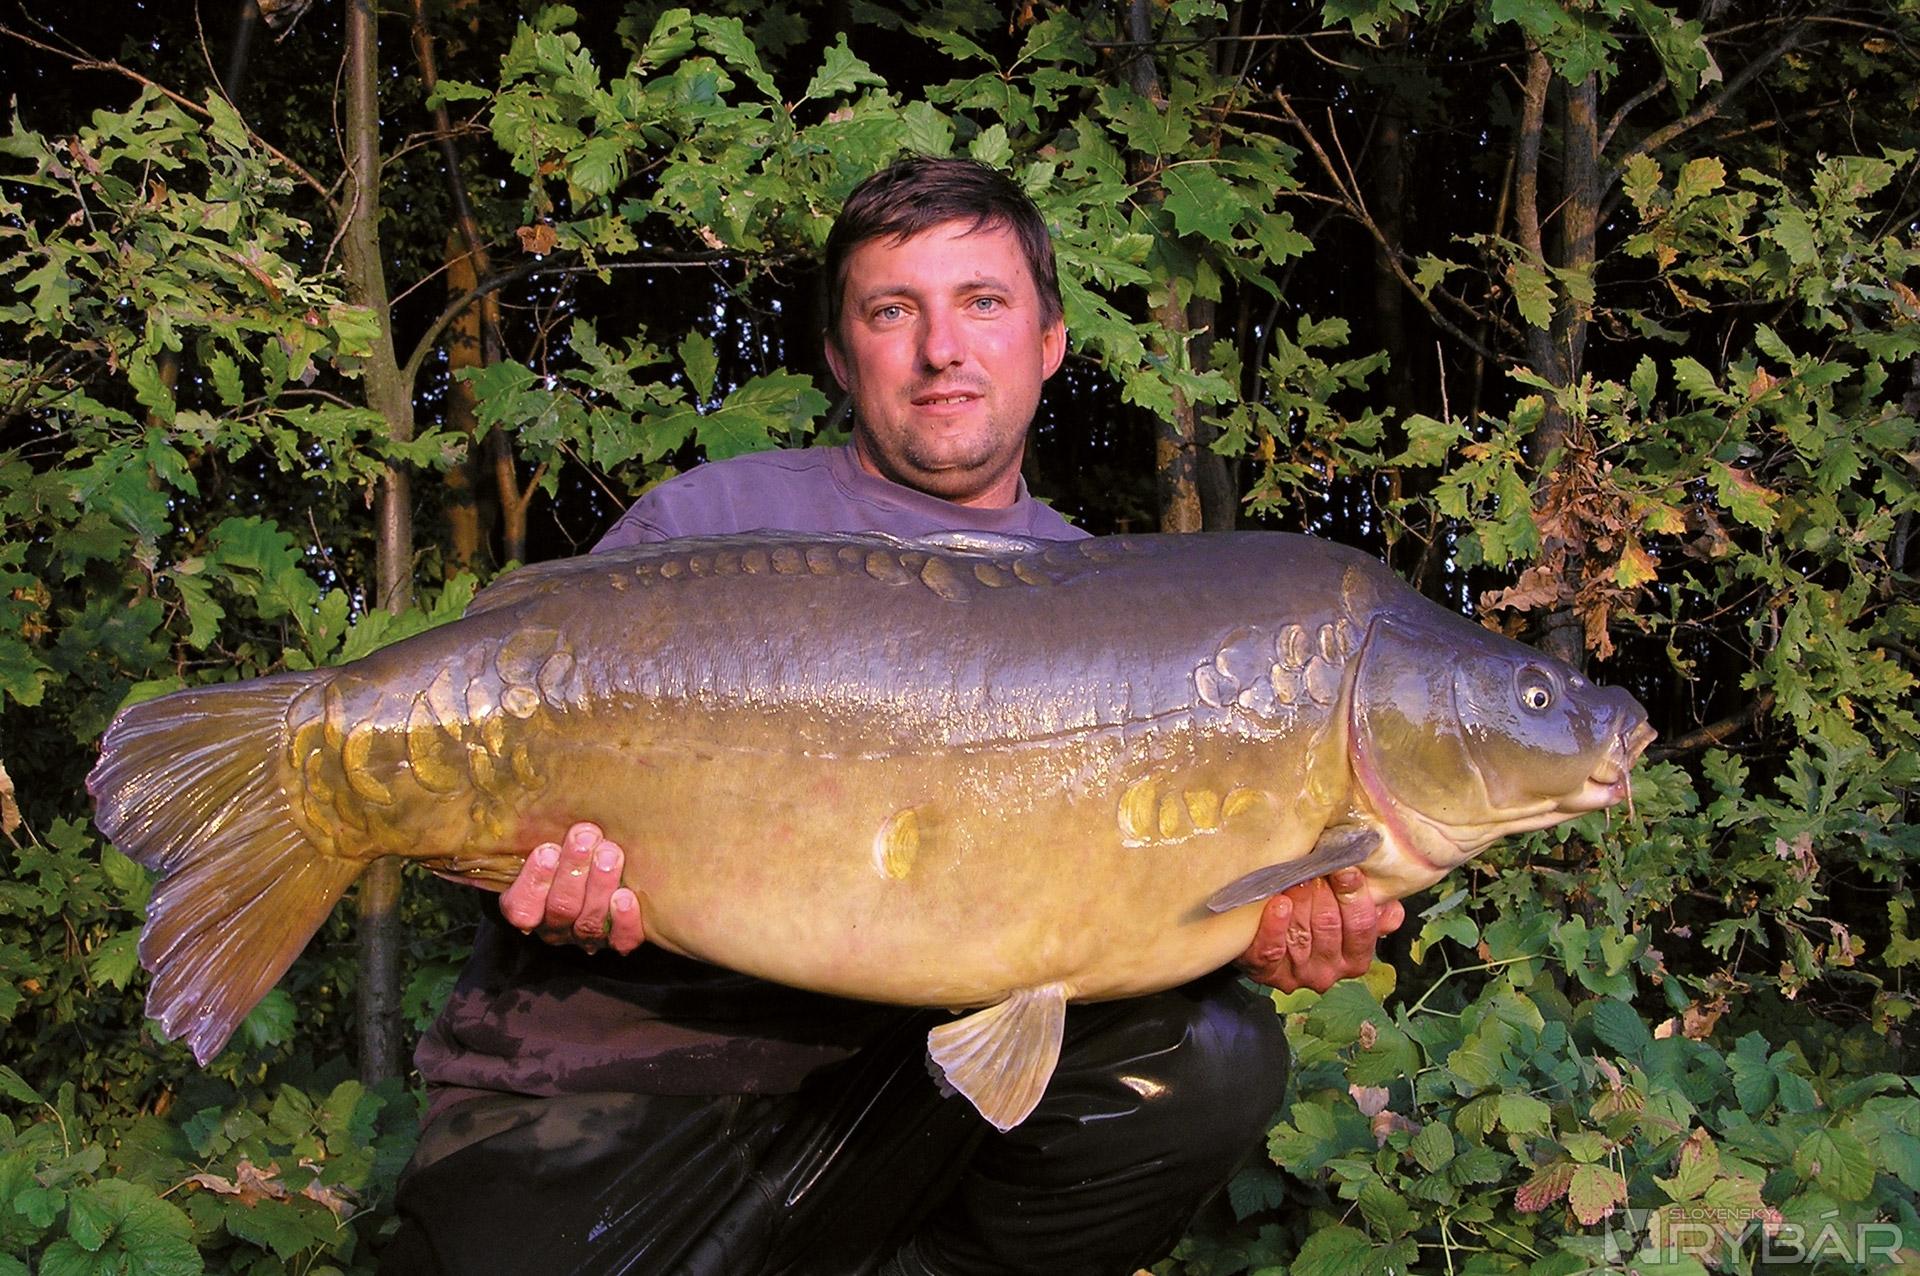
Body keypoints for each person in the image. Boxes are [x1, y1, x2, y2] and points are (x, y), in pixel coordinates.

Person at [385, 158, 1403, 1276]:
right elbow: (513, 771)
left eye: (983, 302)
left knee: (1211, 1050)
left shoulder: (1118, 605)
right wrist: (553, 886)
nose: (941, 348)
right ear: (840, 353)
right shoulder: (713, 527)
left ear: (1050, 340)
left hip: (894, 1105)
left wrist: (1266, 929)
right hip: (612, 1091)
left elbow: (1139, 901)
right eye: (892, 311)